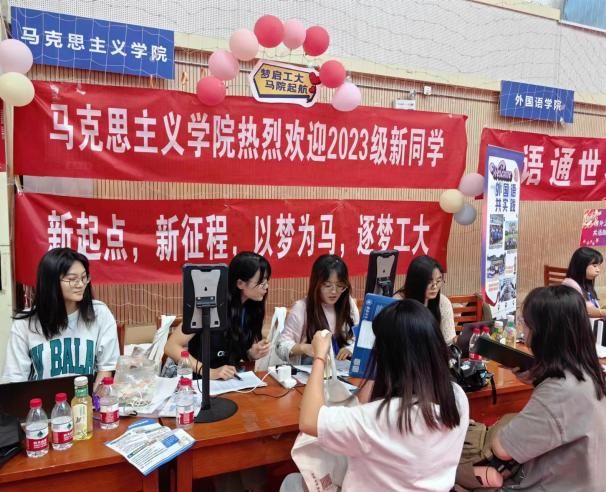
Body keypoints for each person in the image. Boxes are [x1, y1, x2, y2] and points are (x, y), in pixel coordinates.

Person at [282, 299, 469, 491]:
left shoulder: (382, 418)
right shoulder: (457, 397)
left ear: (385, 357)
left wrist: (319, 356)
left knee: (292, 483)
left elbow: (309, 421)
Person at [479, 285, 606, 490]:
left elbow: (503, 449)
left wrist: (499, 427)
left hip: (554, 485)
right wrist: (535, 377)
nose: (523, 331)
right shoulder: (589, 371)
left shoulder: (559, 391)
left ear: (544, 333)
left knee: (471, 469)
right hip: (585, 479)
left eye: (525, 324)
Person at [3, 248, 119, 387]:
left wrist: (94, 399)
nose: (81, 284)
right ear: (51, 282)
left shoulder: (99, 313)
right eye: (72, 279)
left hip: (86, 399)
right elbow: (16, 379)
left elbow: (106, 368)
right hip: (41, 400)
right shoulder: (25, 323)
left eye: (84, 277)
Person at [164, 252, 271, 380]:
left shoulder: (251, 309)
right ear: (240, 283)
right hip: (199, 381)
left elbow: (232, 352)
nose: (266, 287)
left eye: (267, 281)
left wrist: (250, 354)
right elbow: (171, 346)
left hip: (229, 381)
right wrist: (209, 372)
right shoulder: (211, 304)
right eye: (261, 282)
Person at [276, 254, 359, 364]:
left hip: (341, 368)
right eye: (327, 285)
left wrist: (350, 349)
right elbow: (281, 346)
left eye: (340, 285)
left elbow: (359, 339)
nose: (334, 291)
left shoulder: (348, 304)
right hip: (309, 369)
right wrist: (304, 348)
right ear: (316, 284)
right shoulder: (302, 308)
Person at [394, 255, 456, 344]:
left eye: (438, 281)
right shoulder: (398, 303)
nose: (435, 287)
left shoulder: (443, 303)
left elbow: (448, 342)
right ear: (416, 282)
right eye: (429, 282)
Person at [562, 246, 605, 318]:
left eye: (598, 266)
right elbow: (589, 311)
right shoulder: (570, 284)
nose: (598, 270)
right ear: (581, 265)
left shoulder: (586, 283)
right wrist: (602, 312)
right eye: (594, 266)